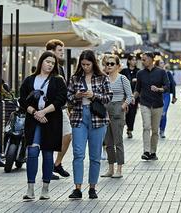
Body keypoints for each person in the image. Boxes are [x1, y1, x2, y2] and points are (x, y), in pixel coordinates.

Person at [19, 51, 67, 200]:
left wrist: (44, 112)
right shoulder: (29, 80)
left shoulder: (58, 80)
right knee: (32, 152)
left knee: (47, 153)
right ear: (41, 62)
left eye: (53, 63)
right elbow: (22, 100)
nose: (50, 65)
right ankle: (30, 189)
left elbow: (61, 100)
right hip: (33, 120)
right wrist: (35, 113)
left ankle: (45, 189)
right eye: (48, 62)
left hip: (51, 120)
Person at [67, 50, 113, 199]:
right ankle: (77, 188)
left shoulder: (102, 77)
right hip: (79, 117)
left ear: (93, 63)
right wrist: (77, 96)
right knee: (78, 153)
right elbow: (68, 97)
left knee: (95, 156)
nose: (85, 67)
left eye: (88, 64)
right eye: (83, 64)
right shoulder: (75, 78)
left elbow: (108, 98)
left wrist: (94, 96)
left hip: (97, 119)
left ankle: (92, 187)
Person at [133, 52, 169, 161]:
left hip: (158, 104)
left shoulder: (161, 72)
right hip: (145, 104)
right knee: (146, 127)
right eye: (142, 60)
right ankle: (146, 151)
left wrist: (159, 89)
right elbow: (137, 89)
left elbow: (167, 87)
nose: (142, 62)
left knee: (154, 130)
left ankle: (153, 152)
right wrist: (132, 99)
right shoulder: (140, 73)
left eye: (144, 60)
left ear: (151, 60)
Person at [101, 54, 132, 178]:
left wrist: (123, 106)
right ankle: (110, 169)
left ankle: (119, 169)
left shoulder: (122, 78)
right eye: (107, 63)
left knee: (118, 141)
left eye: (112, 64)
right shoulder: (104, 79)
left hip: (118, 108)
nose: (109, 66)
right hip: (106, 109)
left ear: (118, 66)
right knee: (108, 142)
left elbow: (130, 96)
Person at [45, 39, 72, 180]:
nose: (62, 52)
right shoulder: (45, 67)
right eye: (60, 50)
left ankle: (57, 163)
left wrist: (66, 106)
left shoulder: (60, 68)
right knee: (49, 141)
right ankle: (49, 169)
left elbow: (63, 90)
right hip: (48, 109)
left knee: (67, 135)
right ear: (52, 51)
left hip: (60, 107)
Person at [154, 59, 177, 139]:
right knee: (157, 113)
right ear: (157, 64)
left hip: (166, 95)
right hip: (157, 95)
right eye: (161, 62)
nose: (163, 63)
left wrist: (174, 96)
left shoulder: (168, 73)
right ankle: (156, 129)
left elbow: (173, 85)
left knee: (163, 113)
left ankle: (162, 130)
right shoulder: (155, 73)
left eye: (163, 62)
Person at [120, 54, 140, 138]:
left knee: (132, 113)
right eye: (132, 60)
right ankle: (124, 126)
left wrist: (137, 80)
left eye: (135, 60)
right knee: (125, 112)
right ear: (129, 61)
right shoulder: (124, 71)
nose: (134, 61)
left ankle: (129, 129)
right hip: (124, 96)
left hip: (134, 96)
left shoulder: (138, 71)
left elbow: (141, 83)